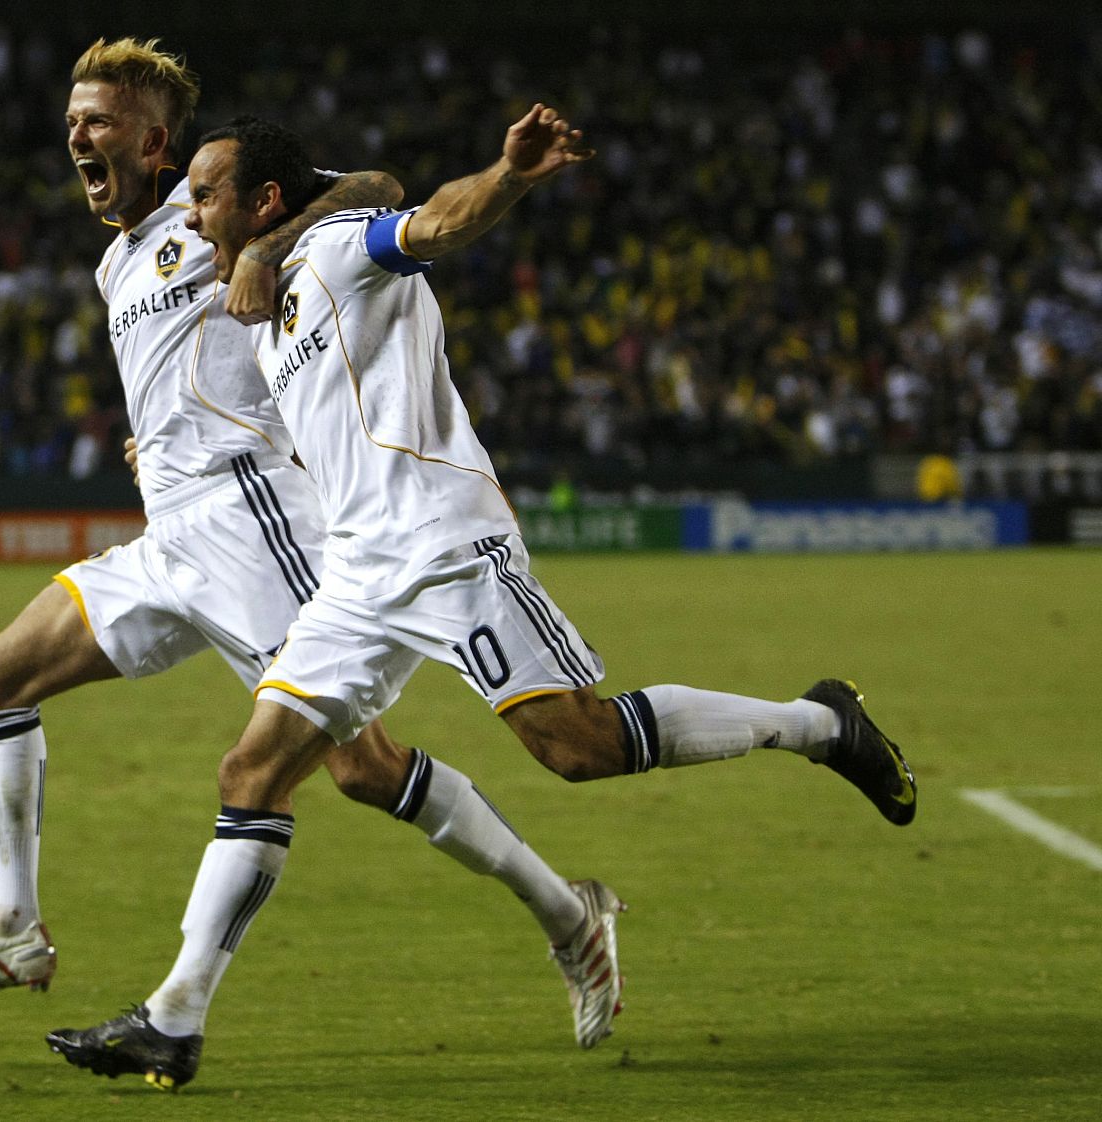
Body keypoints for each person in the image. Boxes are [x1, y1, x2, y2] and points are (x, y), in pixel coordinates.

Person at [47, 106, 918, 1090]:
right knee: (252, 771)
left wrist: (505, 179)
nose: (189, 215)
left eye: (204, 195)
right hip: (356, 577)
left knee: (576, 748)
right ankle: (174, 1020)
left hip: (443, 544)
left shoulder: (337, 250)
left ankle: (819, 724)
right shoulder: (259, 308)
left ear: (265, 201)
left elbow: (427, 220)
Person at [0, 41, 609, 1042]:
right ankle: (14, 925)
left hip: (262, 524)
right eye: (72, 120)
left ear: (154, 138)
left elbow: (378, 184)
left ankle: (568, 915)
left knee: (357, 769)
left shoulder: (227, 206)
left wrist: (268, 249)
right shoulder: (117, 259)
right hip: (170, 536)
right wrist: (152, 442)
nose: (77, 134)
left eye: (97, 120)